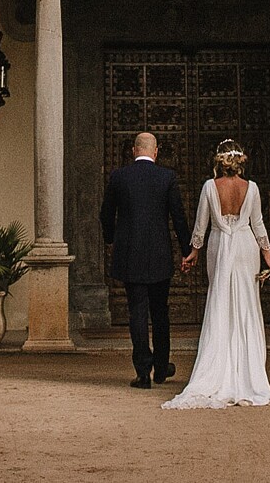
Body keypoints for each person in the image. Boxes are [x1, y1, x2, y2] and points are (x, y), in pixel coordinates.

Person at [161, 138, 270, 409]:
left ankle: (217, 370)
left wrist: (193, 252)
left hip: (220, 245)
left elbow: (201, 225)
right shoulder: (251, 188)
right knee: (245, 305)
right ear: (240, 162)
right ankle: (248, 373)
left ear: (218, 162)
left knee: (219, 301)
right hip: (245, 246)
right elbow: (259, 225)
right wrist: (268, 255)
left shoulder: (210, 187)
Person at [100, 131, 190, 389]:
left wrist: (110, 239)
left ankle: (142, 372)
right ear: (156, 151)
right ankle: (161, 367)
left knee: (136, 311)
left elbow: (106, 213)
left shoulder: (119, 177)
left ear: (133, 150)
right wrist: (187, 249)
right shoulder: (167, 177)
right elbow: (178, 218)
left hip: (129, 254)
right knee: (160, 311)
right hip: (160, 253)